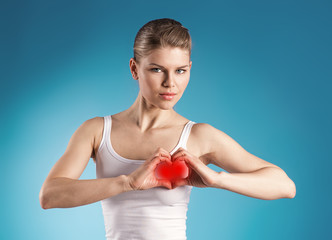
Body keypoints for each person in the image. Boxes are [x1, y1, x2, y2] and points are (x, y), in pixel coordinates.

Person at [39, 18, 296, 240]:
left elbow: (284, 185)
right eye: (157, 69)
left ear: (189, 70)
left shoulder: (198, 136)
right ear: (134, 69)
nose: (170, 83)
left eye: (180, 71)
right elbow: (50, 195)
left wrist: (217, 179)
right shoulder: (97, 131)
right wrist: (127, 183)